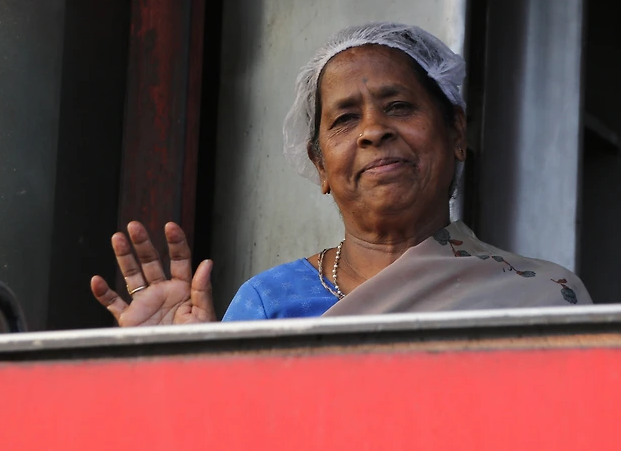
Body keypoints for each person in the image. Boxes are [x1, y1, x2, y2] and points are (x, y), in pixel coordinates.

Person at [89, 23, 591, 324]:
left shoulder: (541, 298)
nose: (373, 131)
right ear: (320, 165)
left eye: (399, 106)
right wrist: (179, 371)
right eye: (346, 119)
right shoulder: (269, 303)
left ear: (456, 132)